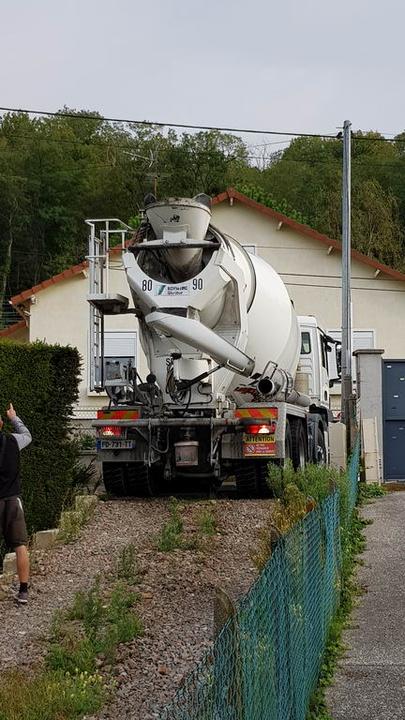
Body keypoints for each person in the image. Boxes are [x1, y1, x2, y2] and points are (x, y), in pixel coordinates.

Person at [0, 403, 32, 604]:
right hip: (13, 499)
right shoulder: (13, 441)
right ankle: (23, 591)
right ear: (1, 424)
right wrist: (14, 417)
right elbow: (27, 436)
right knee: (20, 546)